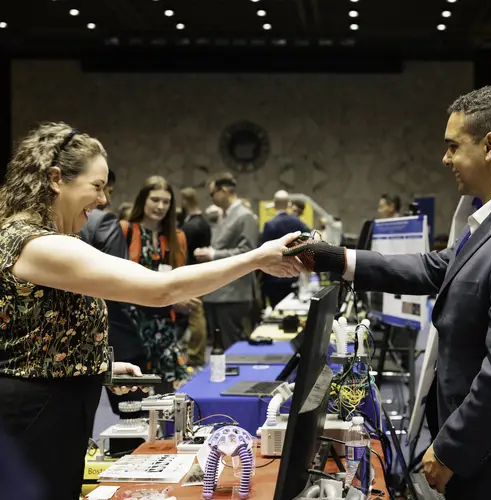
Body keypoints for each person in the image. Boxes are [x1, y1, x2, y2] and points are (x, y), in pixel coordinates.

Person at [286, 86, 491, 499]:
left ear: (490, 145)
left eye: (453, 146)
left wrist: (448, 450)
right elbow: (436, 267)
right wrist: (339, 259)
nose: (445, 159)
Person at [0, 122, 302, 500]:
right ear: (57, 179)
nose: (105, 200)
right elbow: (162, 289)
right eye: (97, 186)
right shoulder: (37, 244)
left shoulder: (44, 240)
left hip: (51, 410)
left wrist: (97, 366)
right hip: (34, 418)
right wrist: (256, 258)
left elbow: (31, 336)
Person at [122, 176, 197, 392]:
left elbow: (180, 278)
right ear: (143, 200)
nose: (161, 206)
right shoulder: (125, 230)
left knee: (167, 394)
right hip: (133, 323)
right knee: (134, 396)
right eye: (155, 200)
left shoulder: (177, 237)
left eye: (166, 201)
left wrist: (181, 298)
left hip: (165, 324)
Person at [80, 168, 146, 414]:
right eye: (98, 187)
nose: (105, 199)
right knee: (131, 414)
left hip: (70, 359)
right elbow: (121, 284)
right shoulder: (102, 221)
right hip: (109, 334)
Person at [195, 173, 261, 348]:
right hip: (219, 291)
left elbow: (248, 252)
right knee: (219, 348)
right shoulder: (223, 215)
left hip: (234, 293)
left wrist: (213, 254)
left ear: (223, 191)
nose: (211, 199)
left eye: (212, 194)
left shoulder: (245, 216)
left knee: (231, 348)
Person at [261, 190, 310, 308]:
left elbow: (263, 252)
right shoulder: (299, 223)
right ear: (288, 204)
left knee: (276, 310)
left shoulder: (269, 224)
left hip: (273, 277)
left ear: (274, 204)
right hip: (294, 274)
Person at [179, 187, 212, 366]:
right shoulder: (203, 222)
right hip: (202, 272)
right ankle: (196, 353)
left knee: (196, 314)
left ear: (185, 201)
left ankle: (196, 354)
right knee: (198, 313)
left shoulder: (191, 225)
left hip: (193, 273)